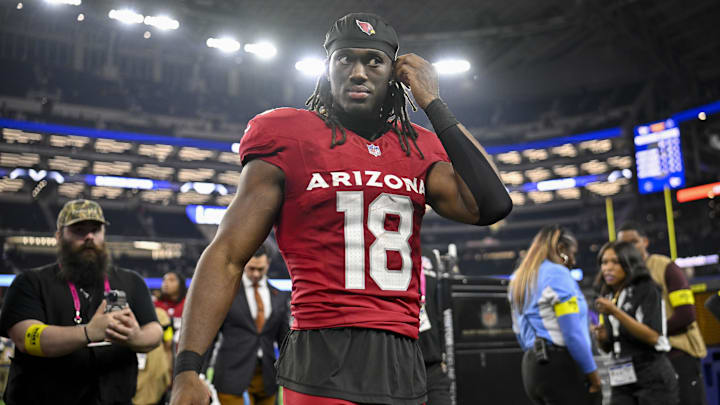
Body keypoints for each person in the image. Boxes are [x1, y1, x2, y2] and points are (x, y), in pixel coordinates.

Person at [170, 12, 511, 405]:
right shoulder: (288, 134)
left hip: (402, 354)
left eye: (374, 61)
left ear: (394, 73)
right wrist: (187, 368)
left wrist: (433, 102)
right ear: (328, 68)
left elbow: (492, 203)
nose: (359, 72)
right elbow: (227, 254)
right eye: (345, 59)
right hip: (321, 349)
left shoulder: (418, 146)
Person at [0, 199, 163, 404]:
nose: (89, 237)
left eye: (95, 230)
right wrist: (87, 332)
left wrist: (135, 336)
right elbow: (26, 338)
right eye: (78, 230)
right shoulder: (30, 282)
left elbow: (155, 331)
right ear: (59, 237)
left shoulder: (131, 282)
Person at [509, 225, 602, 405]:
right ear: (561, 249)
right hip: (559, 366)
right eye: (572, 253)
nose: (573, 260)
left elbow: (519, 333)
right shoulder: (557, 274)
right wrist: (594, 376)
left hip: (531, 367)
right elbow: (572, 334)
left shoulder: (520, 278)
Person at [618, 222, 707, 405]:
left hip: (677, 354)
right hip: (646, 364)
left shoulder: (665, 267)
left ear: (645, 242)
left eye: (633, 242)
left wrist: (650, 335)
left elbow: (686, 314)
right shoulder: (621, 277)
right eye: (623, 245)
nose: (629, 248)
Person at [593, 241, 678, 405]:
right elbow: (609, 346)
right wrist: (601, 338)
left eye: (615, 262)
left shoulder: (646, 289)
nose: (607, 268)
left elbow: (654, 336)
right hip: (621, 374)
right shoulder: (610, 295)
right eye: (604, 262)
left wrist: (615, 312)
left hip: (651, 372)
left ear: (629, 263)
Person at [211, 242, 290, 405]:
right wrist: (198, 372)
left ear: (267, 264)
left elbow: (284, 341)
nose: (255, 273)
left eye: (260, 269)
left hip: (266, 376)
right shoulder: (227, 294)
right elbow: (211, 336)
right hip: (231, 374)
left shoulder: (280, 296)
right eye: (251, 268)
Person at [418, 257, 451, 405]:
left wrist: (444, 353)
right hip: (402, 360)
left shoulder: (430, 255)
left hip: (433, 363)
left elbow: (441, 312)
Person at [134, 307, 173, 405]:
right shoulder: (161, 315)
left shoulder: (161, 316)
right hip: (151, 374)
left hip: (154, 373)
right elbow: (168, 344)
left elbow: (168, 343)